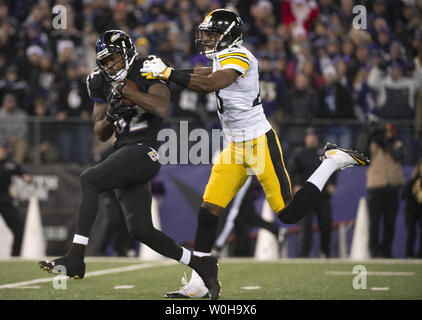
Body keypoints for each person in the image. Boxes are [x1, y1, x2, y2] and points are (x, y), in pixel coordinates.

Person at [140, 9, 369, 298]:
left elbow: (212, 83)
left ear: (229, 36)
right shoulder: (221, 57)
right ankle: (199, 282)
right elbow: (203, 75)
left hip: (259, 142)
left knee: (288, 213)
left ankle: (333, 161)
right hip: (234, 146)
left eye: (212, 35)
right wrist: (169, 69)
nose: (206, 39)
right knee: (208, 210)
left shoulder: (241, 57)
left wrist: (168, 73)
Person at [38, 30, 221, 300]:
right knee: (141, 230)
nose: (110, 65)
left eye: (113, 58)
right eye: (105, 61)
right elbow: (100, 132)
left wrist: (126, 93)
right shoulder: (99, 81)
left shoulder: (146, 68)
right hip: (124, 150)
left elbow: (160, 107)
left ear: (126, 53)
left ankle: (75, 256)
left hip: (145, 150)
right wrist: (112, 114)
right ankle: (202, 264)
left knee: (88, 179)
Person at [290, 128, 336, 258]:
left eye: (314, 135)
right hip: (306, 195)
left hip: (322, 195)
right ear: (305, 138)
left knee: (326, 224)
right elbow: (292, 171)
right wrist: (295, 185)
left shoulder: (325, 153)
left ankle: (326, 252)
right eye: (309, 136)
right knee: (305, 227)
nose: (312, 138)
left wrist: (332, 183)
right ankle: (303, 254)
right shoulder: (299, 154)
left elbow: (333, 168)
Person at [366, 121, 405, 258]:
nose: (387, 135)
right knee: (374, 221)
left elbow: (398, 156)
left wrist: (386, 142)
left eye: (389, 132)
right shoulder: (373, 146)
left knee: (390, 221)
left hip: (392, 187)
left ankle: (386, 250)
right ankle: (374, 250)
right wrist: (370, 135)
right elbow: (362, 152)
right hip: (376, 188)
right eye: (384, 132)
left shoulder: (398, 145)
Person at [0, 144, 31, 256]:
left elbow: (23, 173)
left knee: (19, 229)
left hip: (4, 200)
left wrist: (25, 176)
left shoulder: (10, 164)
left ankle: (15, 255)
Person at [401, 157, 422, 258]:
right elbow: (403, 195)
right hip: (411, 210)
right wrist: (413, 193)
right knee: (411, 233)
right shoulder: (413, 181)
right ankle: (409, 255)